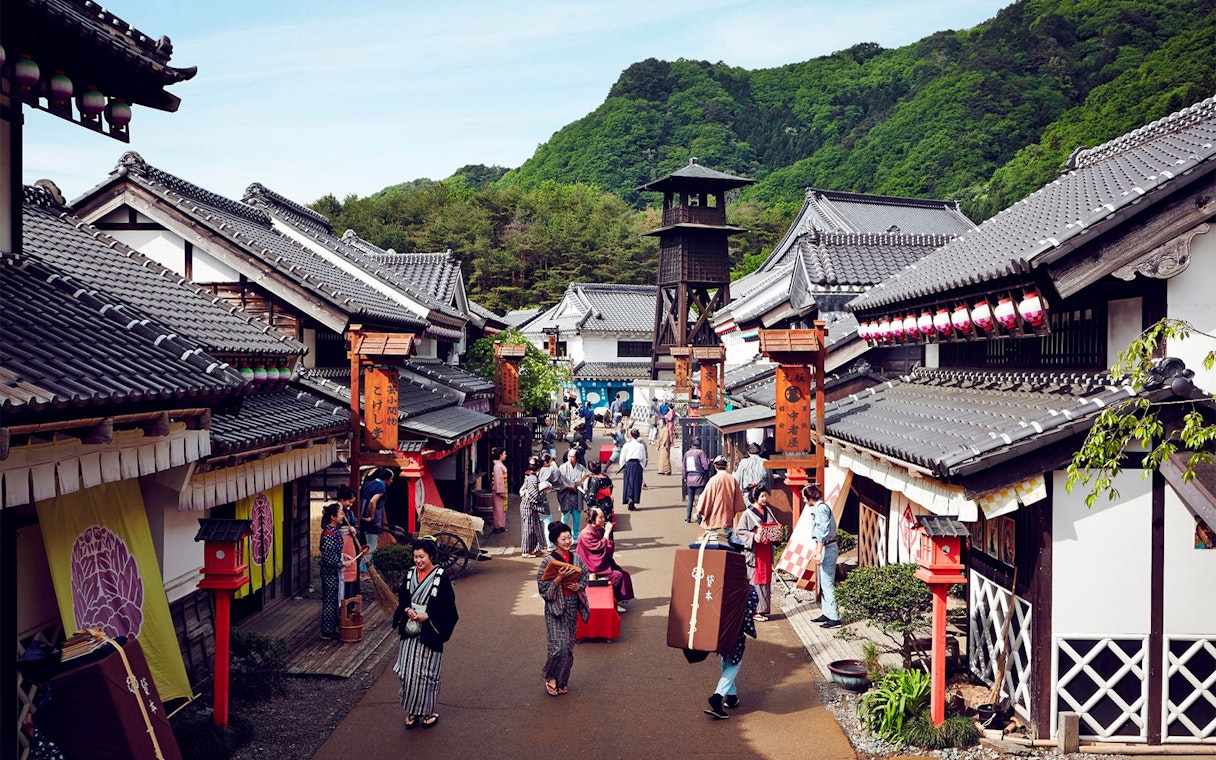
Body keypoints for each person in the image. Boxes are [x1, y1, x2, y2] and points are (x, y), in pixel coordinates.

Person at [393, 538, 459, 729]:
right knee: (406, 672)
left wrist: (428, 615)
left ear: (430, 556)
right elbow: (403, 597)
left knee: (426, 674)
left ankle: (428, 711)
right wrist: (407, 610)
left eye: (422, 557)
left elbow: (448, 605)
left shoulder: (440, 576)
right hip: (410, 629)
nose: (418, 561)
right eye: (415, 557)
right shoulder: (410, 574)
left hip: (430, 630)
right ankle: (412, 710)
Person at [536, 521, 589, 696]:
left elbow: (585, 576)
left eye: (569, 537)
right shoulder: (547, 561)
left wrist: (578, 586)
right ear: (555, 541)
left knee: (568, 647)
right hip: (554, 608)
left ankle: (562, 679)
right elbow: (543, 588)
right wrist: (558, 579)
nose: (567, 541)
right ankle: (550, 676)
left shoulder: (577, 558)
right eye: (563, 538)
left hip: (571, 604)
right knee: (557, 647)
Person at [704, 587, 758, 720]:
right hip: (735, 633)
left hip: (720, 632)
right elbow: (749, 611)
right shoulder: (747, 590)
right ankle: (717, 696)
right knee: (735, 664)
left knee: (727, 660)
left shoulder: (721, 585)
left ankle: (732, 696)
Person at [577, 507, 634, 612]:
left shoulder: (599, 530)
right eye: (601, 517)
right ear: (592, 520)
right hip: (590, 567)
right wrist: (607, 533)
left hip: (600, 563)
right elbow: (598, 549)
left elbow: (607, 548)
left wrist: (607, 536)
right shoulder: (586, 534)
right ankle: (614, 602)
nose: (603, 519)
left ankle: (618, 600)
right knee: (617, 576)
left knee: (624, 574)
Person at [735, 486, 778, 621]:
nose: (765, 499)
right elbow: (740, 531)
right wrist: (753, 536)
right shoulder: (747, 514)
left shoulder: (768, 510)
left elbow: (774, 525)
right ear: (755, 498)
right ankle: (755, 610)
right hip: (754, 551)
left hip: (766, 550)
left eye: (766, 496)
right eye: (762, 496)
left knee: (766, 581)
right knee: (755, 580)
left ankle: (763, 609)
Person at [805, 483, 841, 629]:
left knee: (827, 583)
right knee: (824, 582)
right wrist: (817, 549)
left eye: (804, 498)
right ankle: (827, 612)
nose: (803, 501)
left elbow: (823, 531)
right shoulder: (819, 507)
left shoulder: (821, 509)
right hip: (825, 546)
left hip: (828, 547)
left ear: (809, 497)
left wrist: (818, 551)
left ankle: (835, 618)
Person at [319, 503, 353, 640]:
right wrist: (343, 563)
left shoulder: (334, 532)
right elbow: (328, 558)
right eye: (340, 514)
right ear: (333, 517)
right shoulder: (328, 535)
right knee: (330, 601)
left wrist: (343, 556)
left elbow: (334, 552)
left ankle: (334, 626)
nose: (342, 517)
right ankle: (327, 630)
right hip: (329, 574)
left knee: (336, 600)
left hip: (335, 573)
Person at [697, 455, 746, 536]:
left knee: (711, 535)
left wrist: (700, 509)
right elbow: (738, 498)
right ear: (726, 466)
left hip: (714, 512)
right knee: (729, 533)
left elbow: (707, 497)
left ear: (715, 466)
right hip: (728, 511)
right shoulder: (732, 479)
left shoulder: (713, 480)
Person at [359, 467, 394, 578]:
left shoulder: (368, 484)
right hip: (371, 521)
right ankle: (364, 571)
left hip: (362, 517)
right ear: (386, 479)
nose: (391, 482)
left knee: (368, 544)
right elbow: (373, 501)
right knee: (371, 547)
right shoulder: (380, 488)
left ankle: (365, 569)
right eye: (391, 479)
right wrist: (372, 516)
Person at [336, 485, 361, 599]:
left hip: (350, 544)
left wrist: (354, 530)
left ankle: (349, 601)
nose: (350, 505)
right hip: (339, 543)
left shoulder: (350, 513)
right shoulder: (334, 510)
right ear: (342, 499)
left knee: (351, 569)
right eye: (349, 502)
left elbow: (356, 525)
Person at [519, 456, 547, 558]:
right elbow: (535, 496)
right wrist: (544, 491)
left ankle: (535, 549)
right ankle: (526, 551)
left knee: (535, 528)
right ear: (539, 468)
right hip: (529, 506)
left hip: (530, 506)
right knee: (528, 529)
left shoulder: (529, 476)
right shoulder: (533, 478)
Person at [557, 447, 590, 534]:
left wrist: (583, 481)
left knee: (577, 519)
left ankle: (575, 537)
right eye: (569, 456)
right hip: (566, 496)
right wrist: (568, 486)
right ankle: (562, 535)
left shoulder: (581, 467)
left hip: (576, 496)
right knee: (564, 519)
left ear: (576, 458)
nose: (570, 458)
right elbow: (560, 481)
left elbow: (587, 474)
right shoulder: (562, 467)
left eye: (573, 457)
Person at [538, 452, 566, 547]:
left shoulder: (538, 470)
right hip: (542, 500)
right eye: (550, 461)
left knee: (537, 523)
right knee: (547, 521)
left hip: (535, 500)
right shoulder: (547, 470)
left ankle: (539, 544)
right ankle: (549, 544)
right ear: (546, 462)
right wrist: (554, 466)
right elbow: (556, 478)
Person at [682, 440, 711, 523]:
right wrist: (709, 463)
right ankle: (699, 517)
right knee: (700, 499)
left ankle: (688, 517)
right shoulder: (700, 453)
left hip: (689, 478)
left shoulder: (687, 454)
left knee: (690, 499)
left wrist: (684, 477)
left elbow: (684, 467)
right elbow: (705, 465)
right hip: (699, 478)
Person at [619, 428, 648, 511]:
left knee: (628, 483)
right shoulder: (640, 446)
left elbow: (622, 457)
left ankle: (628, 498)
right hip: (637, 464)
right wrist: (642, 466)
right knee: (636, 484)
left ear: (631, 435)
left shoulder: (626, 445)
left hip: (628, 464)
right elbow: (643, 458)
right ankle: (634, 500)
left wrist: (622, 466)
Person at [491, 447, 509, 533]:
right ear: (500, 455)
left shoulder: (498, 465)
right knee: (498, 509)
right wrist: (501, 491)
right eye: (504, 454)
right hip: (499, 490)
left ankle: (501, 525)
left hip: (502, 489)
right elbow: (499, 481)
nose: (505, 455)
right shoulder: (498, 467)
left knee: (501, 509)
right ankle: (498, 526)